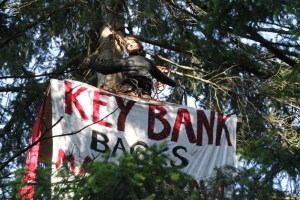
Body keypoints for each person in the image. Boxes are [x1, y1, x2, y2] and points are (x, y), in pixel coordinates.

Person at [83, 36, 176, 98]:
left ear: (139, 46)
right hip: (129, 88)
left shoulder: (149, 62)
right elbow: (105, 70)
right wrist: (90, 62)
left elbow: (161, 77)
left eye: (132, 43)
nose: (129, 45)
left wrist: (174, 83)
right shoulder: (124, 61)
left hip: (145, 90)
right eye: (127, 45)